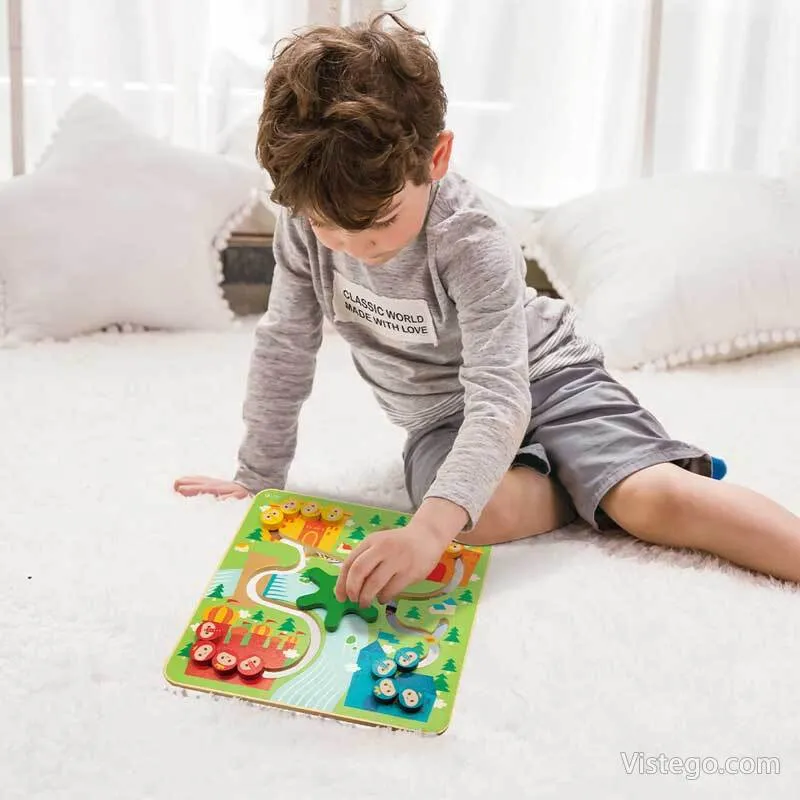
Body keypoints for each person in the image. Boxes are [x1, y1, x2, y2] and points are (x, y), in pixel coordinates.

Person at [175, 13, 800, 608]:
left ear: (436, 159)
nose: (351, 245)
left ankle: (622, 476)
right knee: (470, 517)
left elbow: (501, 393)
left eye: (380, 223)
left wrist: (428, 533)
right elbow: (284, 346)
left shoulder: (469, 239)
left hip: (548, 382)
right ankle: (583, 483)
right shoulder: (304, 223)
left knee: (652, 503)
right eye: (325, 225)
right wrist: (257, 475)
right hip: (442, 418)